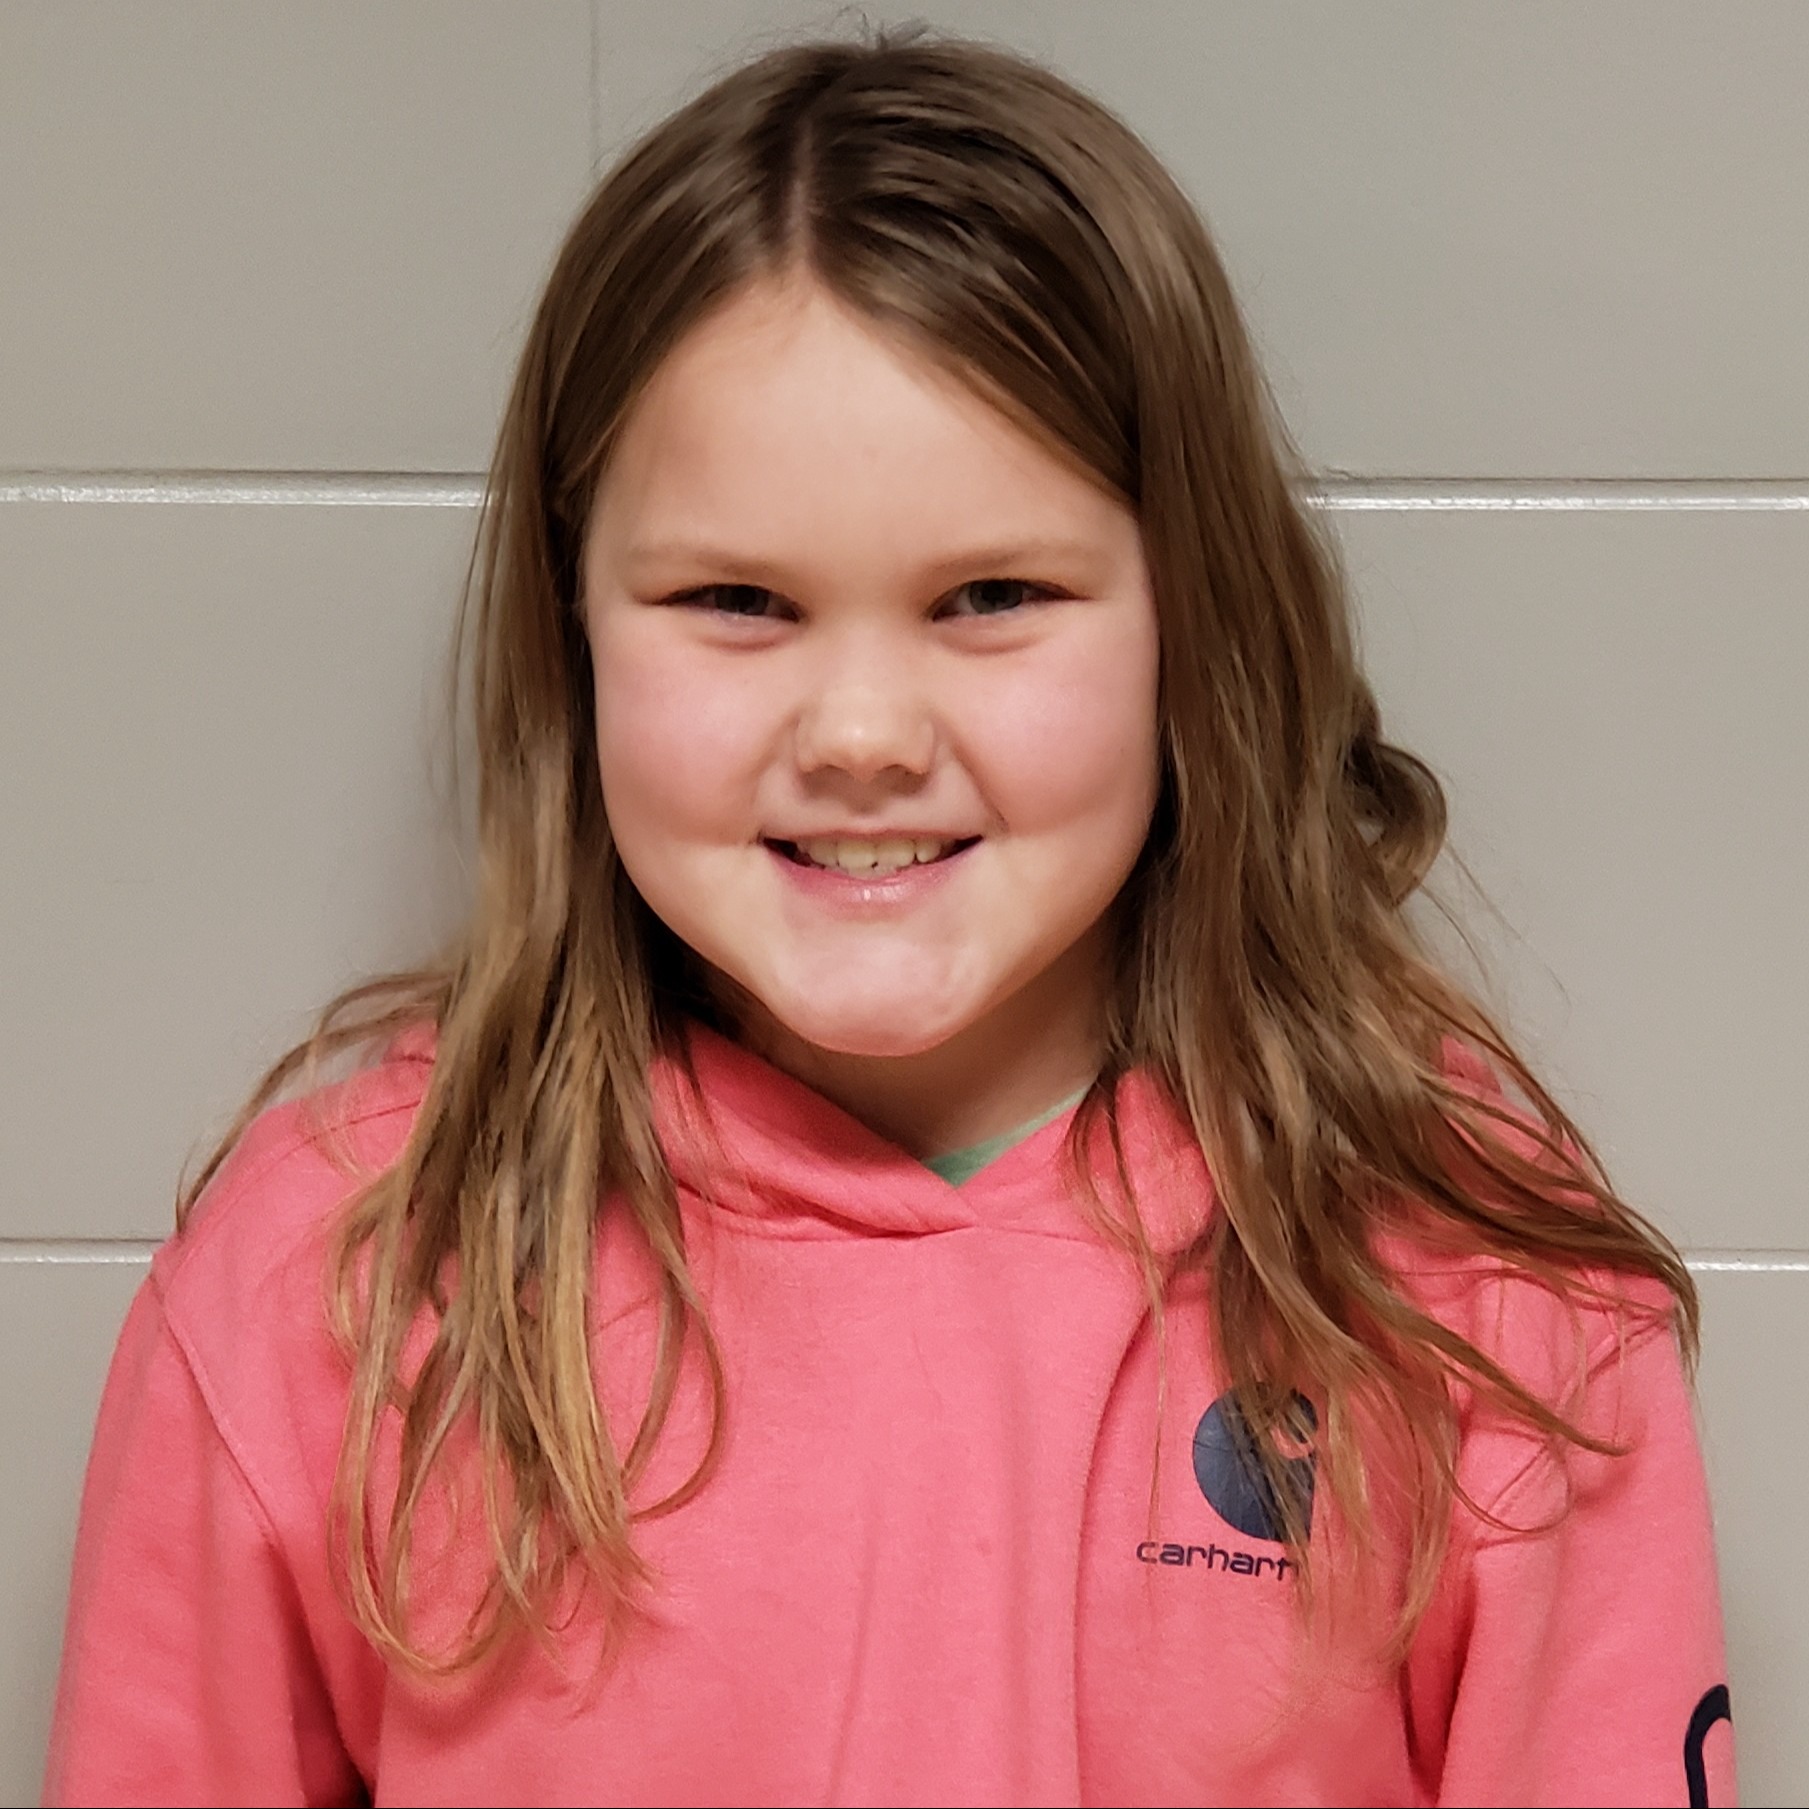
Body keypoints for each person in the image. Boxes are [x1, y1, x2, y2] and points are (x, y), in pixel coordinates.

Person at [43, 26, 1735, 1809]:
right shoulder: (338, 1289)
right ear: (575, 627)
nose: (860, 736)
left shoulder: (1476, 1284)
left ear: (1191, 624)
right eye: (737, 599)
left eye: (992, 594)